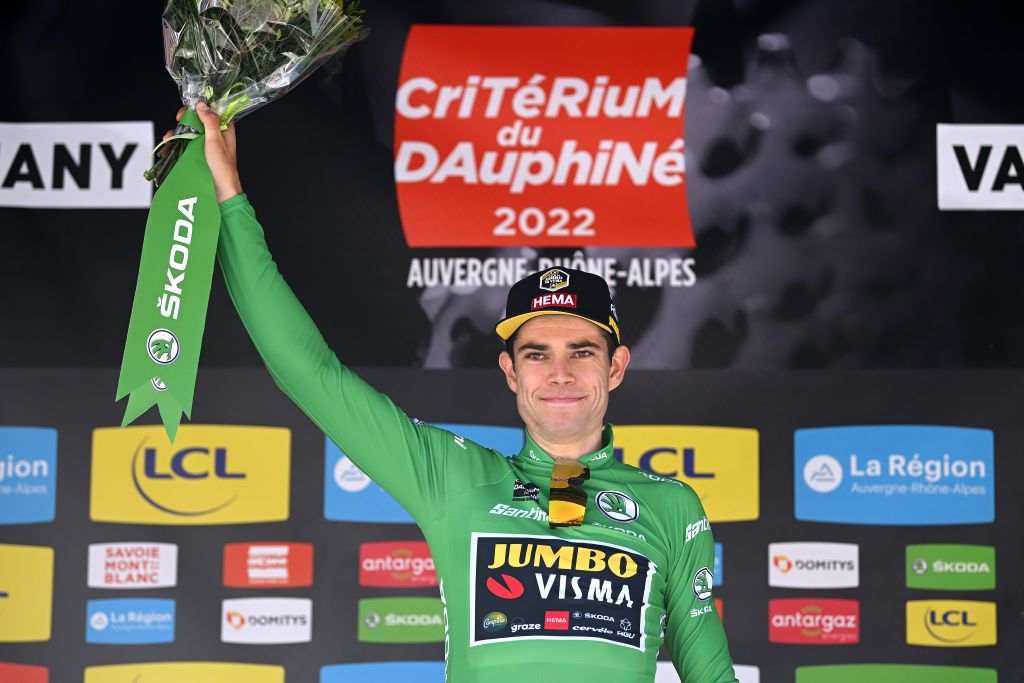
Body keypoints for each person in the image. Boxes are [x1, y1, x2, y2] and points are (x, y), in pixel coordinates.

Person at [168, 103, 738, 682]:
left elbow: (711, 676)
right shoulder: (455, 477)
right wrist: (228, 195)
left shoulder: (672, 506)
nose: (560, 373)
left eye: (581, 352)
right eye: (536, 354)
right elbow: (309, 373)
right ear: (510, 372)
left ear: (616, 367)